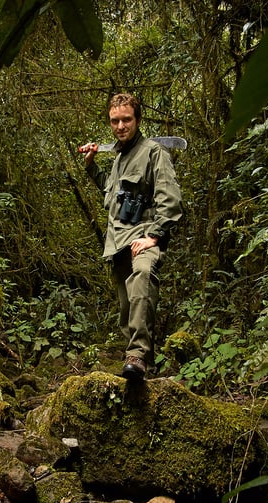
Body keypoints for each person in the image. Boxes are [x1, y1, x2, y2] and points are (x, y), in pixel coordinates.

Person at [78, 93, 183, 381]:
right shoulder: (119, 157)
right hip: (118, 243)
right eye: (115, 121)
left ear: (137, 119)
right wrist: (91, 166)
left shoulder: (153, 152)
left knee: (142, 279)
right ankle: (143, 366)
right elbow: (112, 195)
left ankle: (136, 355)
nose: (120, 126)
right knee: (128, 307)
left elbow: (170, 200)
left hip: (143, 237)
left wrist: (155, 236)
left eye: (126, 119)